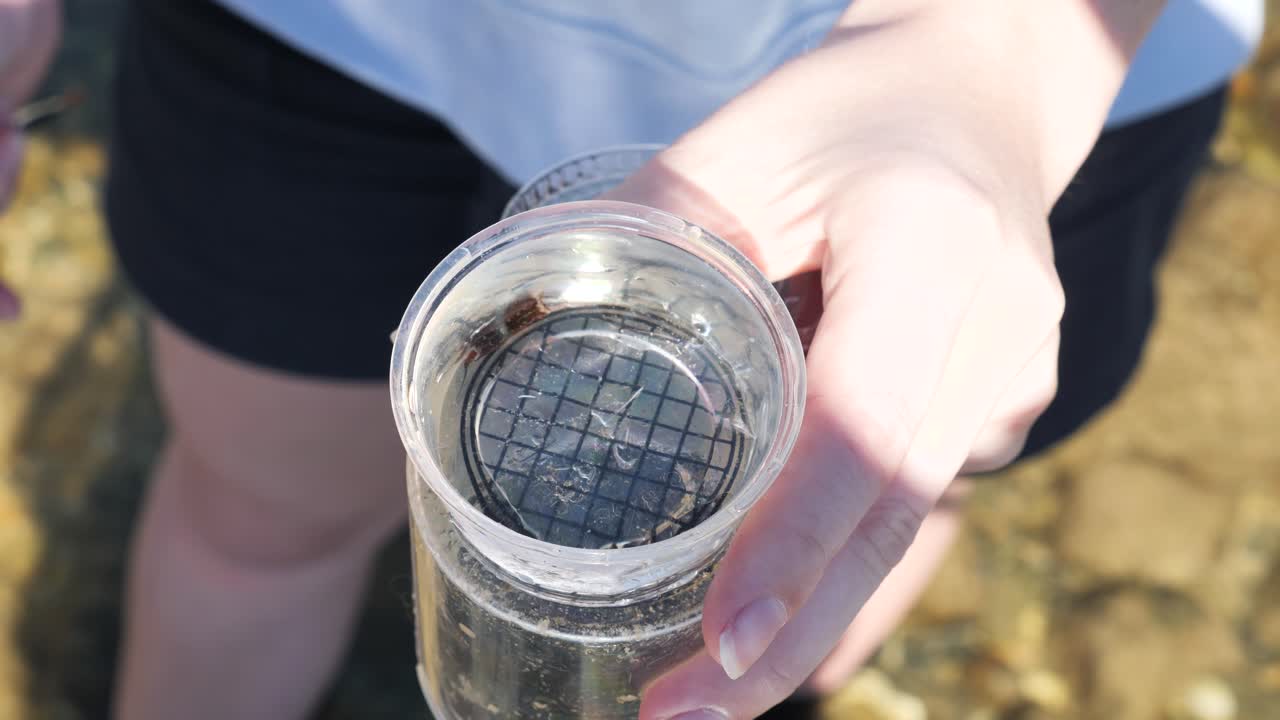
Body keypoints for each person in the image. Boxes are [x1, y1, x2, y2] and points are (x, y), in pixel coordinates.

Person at [0, 0, 1262, 718]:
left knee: (860, 495)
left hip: (983, 115)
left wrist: (1010, 54)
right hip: (342, 35)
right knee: (255, 518)